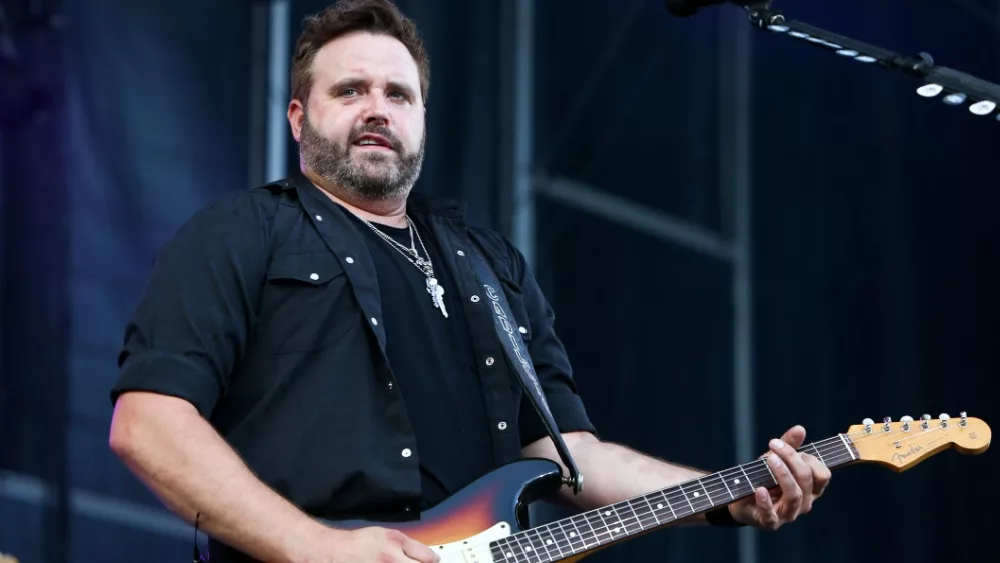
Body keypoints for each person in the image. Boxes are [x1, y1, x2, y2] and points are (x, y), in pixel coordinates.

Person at [107, 0, 832, 561]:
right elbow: (147, 423)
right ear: (299, 117)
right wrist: (316, 545)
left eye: (398, 94)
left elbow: (570, 459)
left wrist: (727, 495)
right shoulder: (241, 231)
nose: (376, 110)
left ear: (423, 118)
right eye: (350, 90)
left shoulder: (490, 266)